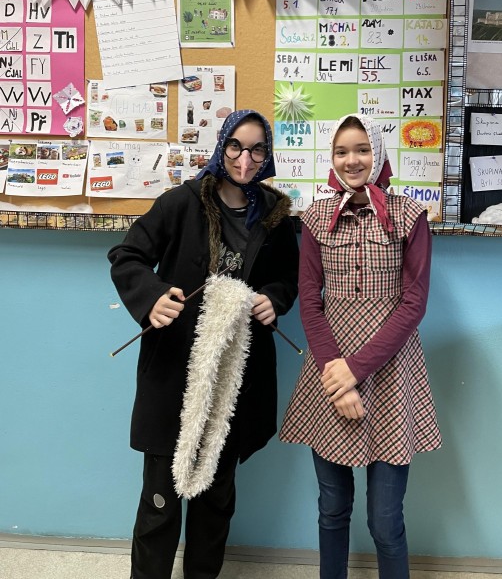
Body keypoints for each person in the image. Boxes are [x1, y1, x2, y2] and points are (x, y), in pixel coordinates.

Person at [108, 109, 299, 579]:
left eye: (257, 150)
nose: (245, 160)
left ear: (267, 156)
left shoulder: (275, 215)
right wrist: (153, 297)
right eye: (236, 146)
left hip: (235, 376)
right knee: (160, 503)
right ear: (221, 146)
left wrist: (273, 299)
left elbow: (287, 278)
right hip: (175, 368)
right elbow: (127, 255)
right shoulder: (181, 202)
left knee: (215, 500)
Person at [280, 113, 441, 579]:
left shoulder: (409, 215)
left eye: (362, 149)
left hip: (391, 373)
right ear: (331, 158)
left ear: (379, 153)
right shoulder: (315, 218)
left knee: (385, 522)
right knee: (332, 508)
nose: (352, 160)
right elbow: (310, 300)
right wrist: (338, 375)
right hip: (328, 372)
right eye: (341, 151)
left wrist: (356, 370)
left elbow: (413, 304)